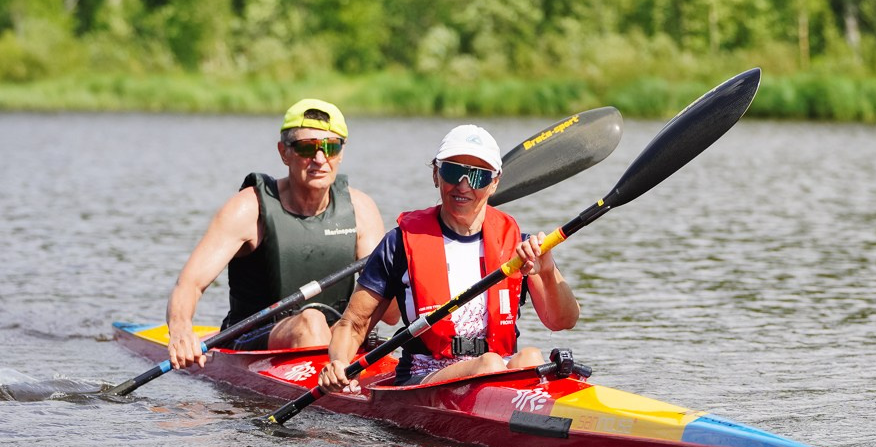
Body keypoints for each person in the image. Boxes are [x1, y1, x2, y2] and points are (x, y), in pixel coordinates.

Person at [319, 123, 579, 392]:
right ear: (436, 174)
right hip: (426, 374)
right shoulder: (398, 244)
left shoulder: (519, 246)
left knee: (531, 357)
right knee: (488, 365)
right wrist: (339, 363)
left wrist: (547, 271)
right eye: (453, 171)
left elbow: (563, 321)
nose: (463, 186)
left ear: (495, 183)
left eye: (478, 176)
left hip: (499, 368)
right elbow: (352, 324)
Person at [166, 98, 388, 370]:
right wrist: (180, 331)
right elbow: (189, 284)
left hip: (339, 342)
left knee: (329, 326)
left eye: (331, 147)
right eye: (307, 148)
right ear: (284, 152)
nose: (320, 159)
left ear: (341, 152)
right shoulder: (249, 208)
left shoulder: (361, 210)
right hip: (250, 338)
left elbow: (389, 314)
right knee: (311, 322)